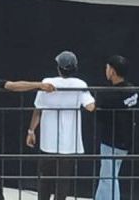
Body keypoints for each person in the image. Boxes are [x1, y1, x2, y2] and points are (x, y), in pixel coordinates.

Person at [25, 52, 96, 200]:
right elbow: (90, 106)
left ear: (58, 68)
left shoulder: (47, 83)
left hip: (48, 141)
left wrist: (31, 131)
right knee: (63, 182)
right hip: (69, 144)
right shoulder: (80, 84)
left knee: (45, 181)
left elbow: (37, 110)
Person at [91, 57, 138, 200]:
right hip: (125, 141)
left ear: (112, 71)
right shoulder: (132, 91)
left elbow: (99, 113)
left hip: (111, 141)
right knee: (109, 174)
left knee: (108, 178)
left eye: (107, 68)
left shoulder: (110, 95)